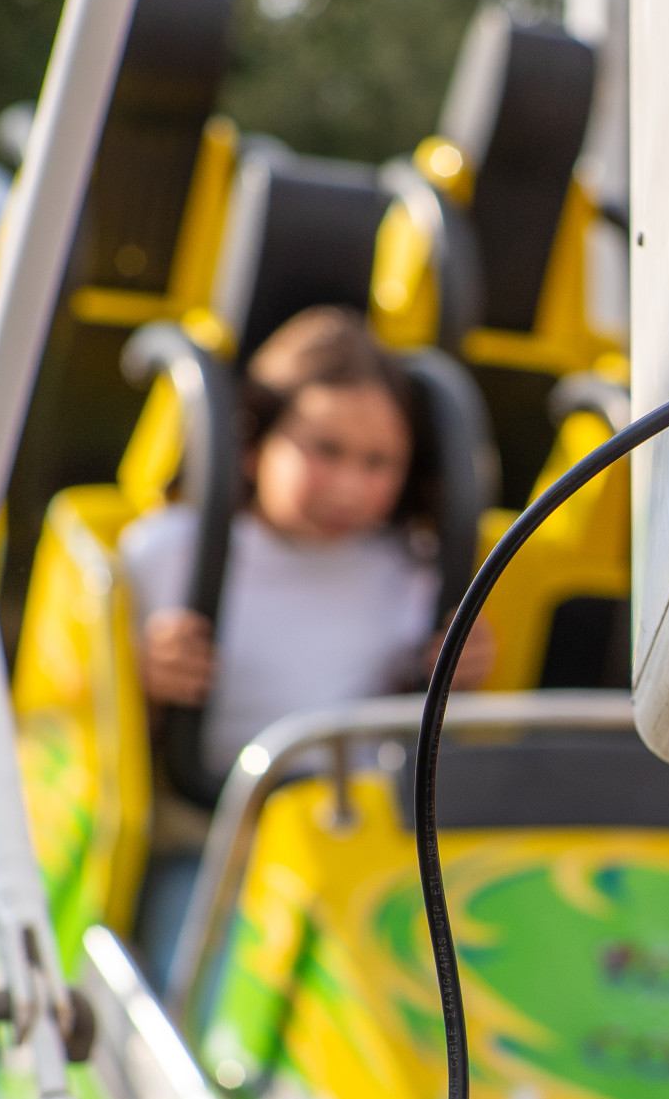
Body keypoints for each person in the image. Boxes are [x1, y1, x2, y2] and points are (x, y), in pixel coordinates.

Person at [120, 306, 495, 976]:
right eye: (325, 450)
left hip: (347, 849)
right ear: (253, 443)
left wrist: (464, 671)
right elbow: (84, 731)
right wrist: (139, 678)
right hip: (207, 840)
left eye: (378, 462)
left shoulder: (412, 574)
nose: (349, 486)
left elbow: (424, 724)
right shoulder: (165, 554)